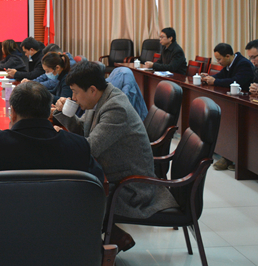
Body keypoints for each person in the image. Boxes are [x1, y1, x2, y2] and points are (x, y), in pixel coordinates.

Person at [53, 61, 176, 253]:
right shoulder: (100, 98)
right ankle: (111, 238)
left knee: (72, 195)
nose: (73, 98)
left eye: (75, 92)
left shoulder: (115, 108)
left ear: (92, 90)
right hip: (114, 176)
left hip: (130, 188)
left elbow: (90, 148)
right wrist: (62, 113)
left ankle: (91, 252)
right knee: (71, 188)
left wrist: (60, 138)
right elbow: (83, 130)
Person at [0, 81, 104, 205]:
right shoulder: (77, 146)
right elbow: (98, 188)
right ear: (49, 111)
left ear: (13, 113)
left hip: (2, 233)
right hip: (65, 232)